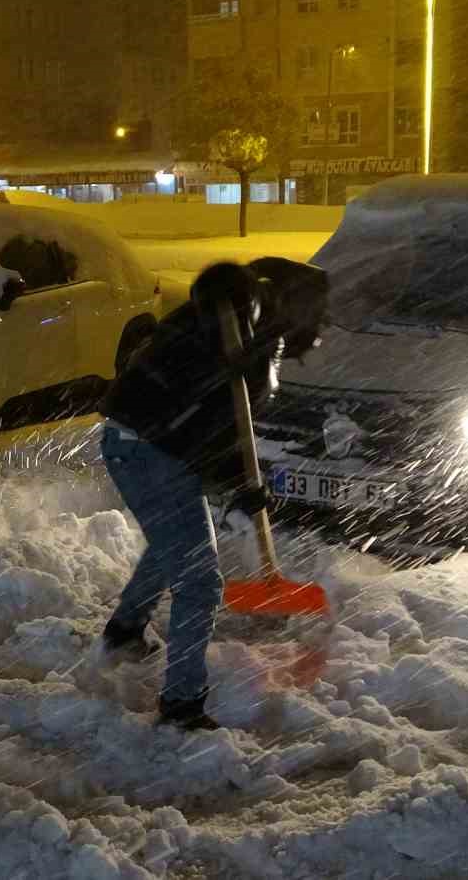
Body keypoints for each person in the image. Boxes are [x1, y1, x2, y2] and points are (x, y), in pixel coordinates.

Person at [99, 258, 329, 731]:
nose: (319, 330)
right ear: (298, 308)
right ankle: (181, 705)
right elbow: (204, 411)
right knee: (200, 582)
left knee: (176, 544)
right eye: (317, 317)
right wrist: (235, 322)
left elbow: (217, 423)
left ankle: (124, 630)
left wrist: (239, 482)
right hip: (149, 450)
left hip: (148, 445)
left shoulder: (250, 330)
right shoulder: (234, 322)